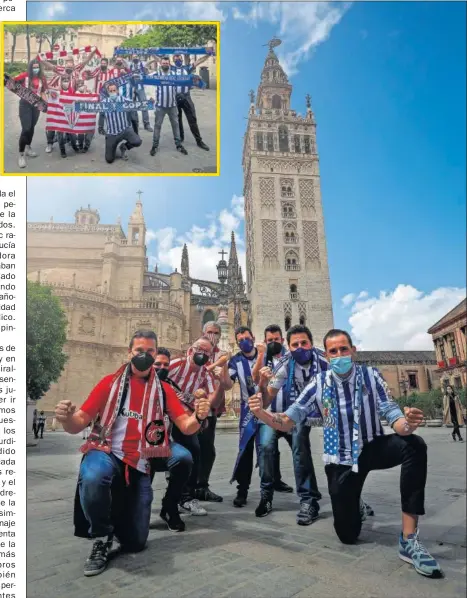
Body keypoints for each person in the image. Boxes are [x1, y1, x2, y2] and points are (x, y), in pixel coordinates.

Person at [249, 328, 443, 579]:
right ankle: (354, 502)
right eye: (333, 351)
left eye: (344, 349)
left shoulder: (371, 376)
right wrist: (263, 415)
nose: (339, 354)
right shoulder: (317, 384)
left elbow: (390, 411)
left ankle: (409, 538)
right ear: (327, 356)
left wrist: (407, 425)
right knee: (347, 535)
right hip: (340, 457)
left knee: (414, 445)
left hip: (372, 446)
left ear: (353, 351)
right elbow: (288, 420)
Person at [54, 329, 210, 577]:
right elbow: (79, 422)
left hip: (140, 462)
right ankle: (102, 535)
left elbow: (185, 425)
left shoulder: (164, 391)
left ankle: (122, 519)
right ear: (129, 353)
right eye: (140, 351)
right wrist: (66, 419)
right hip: (105, 450)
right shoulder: (109, 383)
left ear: (156, 352)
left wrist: (199, 415)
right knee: (94, 476)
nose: (145, 356)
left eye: (150, 351)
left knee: (136, 542)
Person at [254, 324, 327, 524]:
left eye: (304, 343)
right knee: (266, 447)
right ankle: (266, 496)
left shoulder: (323, 361)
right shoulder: (284, 364)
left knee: (300, 447)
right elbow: (267, 399)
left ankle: (308, 499)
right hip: (273, 416)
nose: (300, 347)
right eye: (296, 344)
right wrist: (262, 382)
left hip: (298, 415)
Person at [168, 337, 220, 515]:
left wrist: (205, 405)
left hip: (186, 418)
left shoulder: (206, 373)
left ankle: (186, 497)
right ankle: (142, 499)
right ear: (190, 350)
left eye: (207, 352)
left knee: (194, 451)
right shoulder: (176, 364)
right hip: (164, 416)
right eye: (200, 349)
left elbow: (213, 394)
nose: (203, 354)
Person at [251, 324, 293, 494]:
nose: (274, 342)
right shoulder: (262, 358)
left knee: (300, 452)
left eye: (276, 339)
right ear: (265, 341)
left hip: (290, 415)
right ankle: (267, 490)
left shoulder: (291, 357)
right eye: (270, 340)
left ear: (282, 340)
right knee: (268, 449)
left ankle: (307, 491)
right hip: (268, 415)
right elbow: (254, 378)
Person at [148, 56, 187, 156]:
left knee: (175, 125)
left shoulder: (174, 75)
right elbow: (146, 80)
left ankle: (178, 145)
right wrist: (151, 96)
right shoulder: (156, 74)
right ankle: (155, 145)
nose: (165, 64)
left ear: (169, 64)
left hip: (172, 105)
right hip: (160, 106)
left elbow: (183, 83)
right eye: (163, 63)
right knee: (157, 126)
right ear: (161, 64)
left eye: (167, 63)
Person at [171, 51, 210, 151]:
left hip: (186, 97)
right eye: (175, 57)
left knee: (192, 119)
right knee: (177, 119)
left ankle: (199, 140)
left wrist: (209, 54)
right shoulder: (172, 68)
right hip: (175, 97)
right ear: (173, 59)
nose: (177, 59)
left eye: (179, 57)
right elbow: (159, 61)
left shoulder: (186, 68)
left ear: (182, 58)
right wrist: (152, 53)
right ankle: (181, 137)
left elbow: (199, 61)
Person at [14, 60, 48, 169]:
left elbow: (43, 91)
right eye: (34, 67)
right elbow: (12, 84)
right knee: (26, 129)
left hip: (36, 105)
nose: (35, 69)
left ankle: (28, 147)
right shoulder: (24, 76)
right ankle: (21, 155)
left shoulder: (42, 78)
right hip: (25, 105)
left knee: (32, 127)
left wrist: (45, 104)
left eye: (37, 67)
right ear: (30, 67)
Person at [101, 83, 142, 164]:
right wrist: (79, 103)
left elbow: (138, 104)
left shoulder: (124, 100)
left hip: (124, 130)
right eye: (110, 91)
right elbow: (89, 106)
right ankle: (113, 146)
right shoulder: (103, 103)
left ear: (117, 91)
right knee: (109, 159)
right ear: (108, 92)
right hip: (111, 133)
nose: (112, 92)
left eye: (114, 90)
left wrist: (150, 102)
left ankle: (124, 147)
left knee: (137, 141)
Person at [128, 53, 153, 132]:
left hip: (140, 88)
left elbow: (147, 70)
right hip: (132, 88)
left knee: (144, 105)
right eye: (134, 56)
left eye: (136, 56)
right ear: (131, 57)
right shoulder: (129, 65)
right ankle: (136, 123)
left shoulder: (142, 64)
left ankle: (146, 124)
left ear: (138, 57)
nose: (135, 58)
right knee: (133, 106)